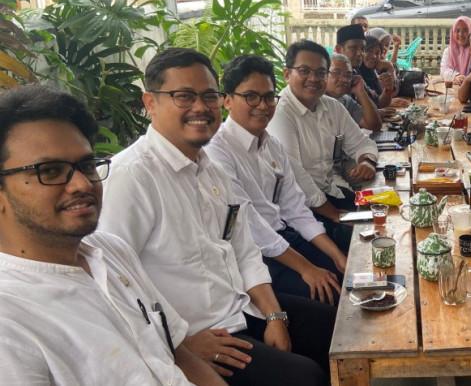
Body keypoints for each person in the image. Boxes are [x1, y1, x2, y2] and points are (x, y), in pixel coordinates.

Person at [100, 48, 333, 386]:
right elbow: (113, 284)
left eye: (208, 96)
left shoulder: (211, 170)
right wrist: (180, 347)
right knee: (304, 377)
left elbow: (244, 250)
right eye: (184, 96)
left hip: (241, 310)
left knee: (331, 325)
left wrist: (274, 315)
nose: (200, 107)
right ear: (150, 102)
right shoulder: (131, 177)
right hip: (196, 337)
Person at [0, 85, 224, 386]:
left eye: (86, 165)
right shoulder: (10, 320)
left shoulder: (110, 251)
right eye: (50, 171)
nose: (82, 184)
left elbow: (178, 354)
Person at [205, 55, 348, 306]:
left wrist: (337, 255)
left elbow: (296, 209)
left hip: (285, 238)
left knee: (351, 272)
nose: (263, 105)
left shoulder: (272, 145)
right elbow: (250, 226)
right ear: (227, 100)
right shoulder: (217, 152)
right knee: (334, 297)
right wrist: (307, 269)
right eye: (251, 96)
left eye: (269, 97)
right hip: (256, 257)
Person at [268, 40, 379, 223]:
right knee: (368, 229)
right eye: (304, 71)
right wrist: (335, 215)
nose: (313, 78)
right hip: (300, 211)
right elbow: (294, 177)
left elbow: (362, 143)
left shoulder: (332, 106)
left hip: (330, 192)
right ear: (287, 74)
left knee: (385, 212)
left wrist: (367, 161)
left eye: (320, 73)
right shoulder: (280, 113)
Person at [335, 25, 395, 108]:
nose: (360, 53)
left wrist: (388, 89)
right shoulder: (333, 78)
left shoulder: (356, 75)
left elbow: (378, 103)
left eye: (362, 49)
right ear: (339, 49)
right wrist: (375, 112)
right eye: (353, 48)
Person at [325, 53, 381, 131]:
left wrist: (361, 92)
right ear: (324, 74)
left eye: (348, 75)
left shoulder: (346, 100)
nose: (344, 79)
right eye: (337, 73)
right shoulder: (315, 101)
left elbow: (374, 126)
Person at [440, 16, 471, 86]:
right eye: (457, 31)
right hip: (454, 88)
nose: (461, 34)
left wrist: (467, 80)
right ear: (453, 33)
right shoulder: (448, 51)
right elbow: (444, 70)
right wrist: (455, 76)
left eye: (465, 30)